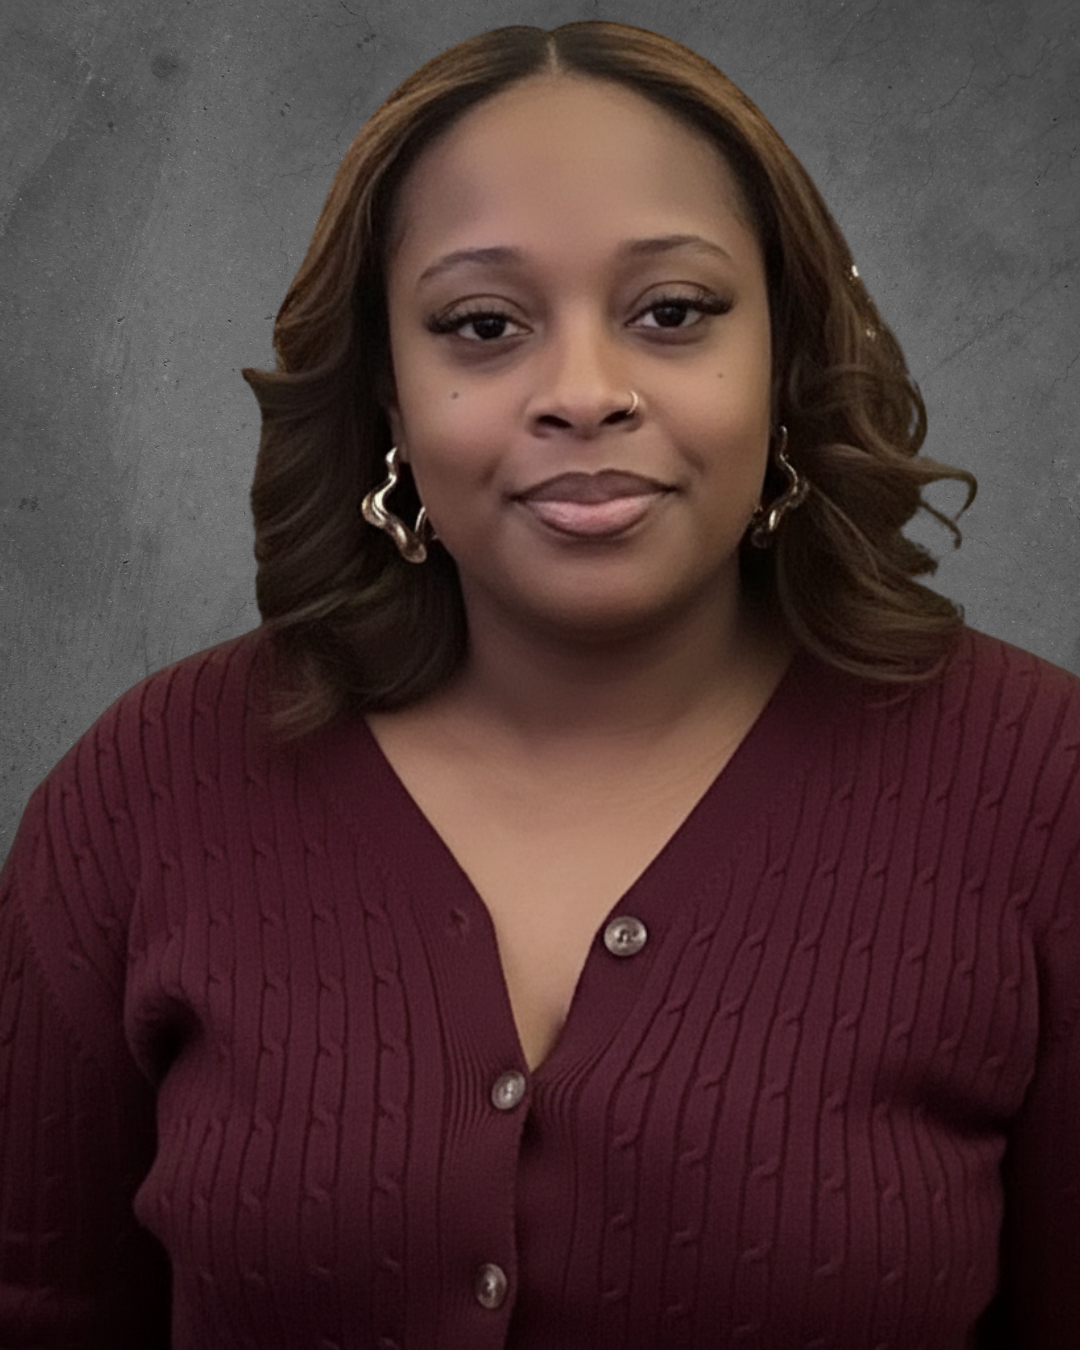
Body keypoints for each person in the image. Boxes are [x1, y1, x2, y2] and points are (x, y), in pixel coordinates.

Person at [0, 19, 1076, 1349]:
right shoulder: (144, 791)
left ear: (789, 355)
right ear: (387, 393)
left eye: (673, 313)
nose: (584, 392)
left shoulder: (1042, 789)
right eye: (483, 324)